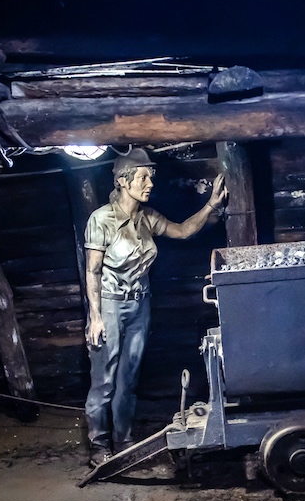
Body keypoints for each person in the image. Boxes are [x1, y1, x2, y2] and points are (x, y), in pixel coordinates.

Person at [84, 148, 228, 467]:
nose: (150, 183)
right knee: (104, 380)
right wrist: (95, 317)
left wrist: (211, 205)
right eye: (143, 177)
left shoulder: (147, 218)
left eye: (151, 177)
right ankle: (99, 444)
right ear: (123, 181)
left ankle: (123, 440)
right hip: (109, 305)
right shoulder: (101, 219)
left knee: (128, 379)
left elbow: (183, 230)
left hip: (140, 305)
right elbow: (92, 271)